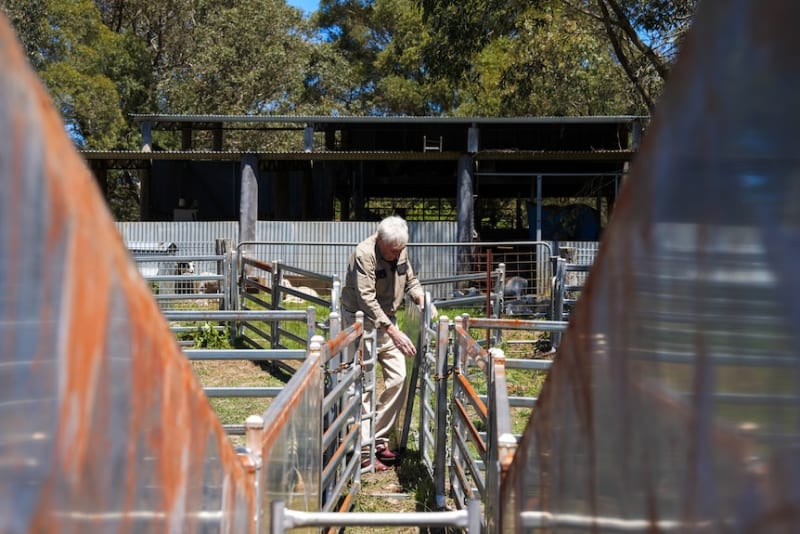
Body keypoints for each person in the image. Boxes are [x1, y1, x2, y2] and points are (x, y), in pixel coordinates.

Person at [341, 216, 436, 471]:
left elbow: (411, 280)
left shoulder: (399, 250)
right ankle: (362, 450)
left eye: (400, 250)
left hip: (388, 322)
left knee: (398, 379)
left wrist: (419, 297)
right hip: (360, 323)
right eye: (393, 251)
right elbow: (366, 299)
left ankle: (377, 439)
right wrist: (394, 331)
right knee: (365, 384)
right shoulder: (364, 254)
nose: (397, 255)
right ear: (380, 240)